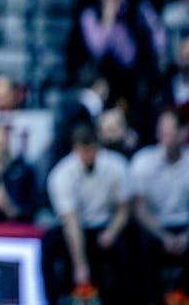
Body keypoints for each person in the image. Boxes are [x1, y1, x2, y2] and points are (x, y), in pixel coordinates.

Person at [130, 108, 189, 304]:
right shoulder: (142, 162)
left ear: (184, 132)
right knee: (141, 248)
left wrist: (188, 234)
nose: (164, 137)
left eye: (169, 132)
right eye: (161, 132)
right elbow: (140, 209)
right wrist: (163, 236)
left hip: (188, 226)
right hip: (154, 227)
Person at [42, 123, 132, 305]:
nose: (87, 156)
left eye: (90, 150)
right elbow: (71, 220)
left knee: (131, 241)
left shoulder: (116, 166)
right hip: (77, 228)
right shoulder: (61, 174)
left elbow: (124, 208)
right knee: (48, 244)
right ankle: (52, 300)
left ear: (98, 147)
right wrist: (80, 264)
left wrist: (112, 232)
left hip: (108, 225)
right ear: (74, 149)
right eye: (82, 151)